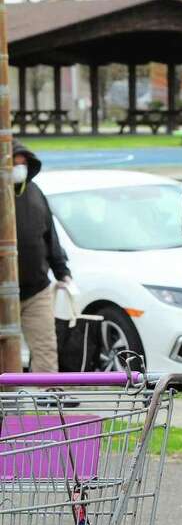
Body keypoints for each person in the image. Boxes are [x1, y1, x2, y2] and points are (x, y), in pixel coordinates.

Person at [13, 140, 72, 373]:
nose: (20, 168)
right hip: (4, 293)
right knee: (7, 353)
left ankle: (46, 402)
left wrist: (62, 271)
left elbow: (50, 236)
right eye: (15, 163)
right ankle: (7, 403)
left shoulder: (35, 192)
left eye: (23, 163)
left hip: (36, 289)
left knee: (46, 348)